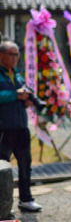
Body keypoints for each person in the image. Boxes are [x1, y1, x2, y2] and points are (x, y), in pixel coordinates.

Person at [0, 41, 41, 212]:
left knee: (25, 164)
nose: (15, 58)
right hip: (4, 128)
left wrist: (28, 101)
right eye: (11, 54)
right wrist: (15, 95)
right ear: (1, 55)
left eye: (17, 54)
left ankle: (26, 199)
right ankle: (3, 205)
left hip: (21, 126)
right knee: (3, 168)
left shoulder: (17, 75)